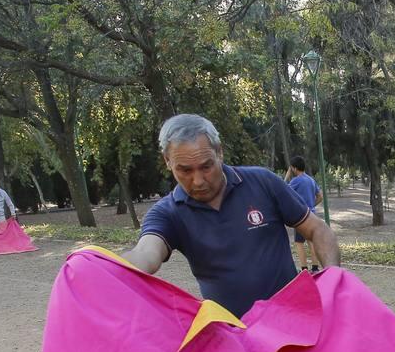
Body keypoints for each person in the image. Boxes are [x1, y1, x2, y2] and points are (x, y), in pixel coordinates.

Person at [124, 114, 341, 317]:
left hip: (294, 318)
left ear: (219, 152)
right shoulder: (167, 213)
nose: (198, 180)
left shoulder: (263, 182)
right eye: (185, 170)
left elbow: (317, 229)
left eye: (206, 166)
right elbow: (145, 253)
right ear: (167, 161)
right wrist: (100, 267)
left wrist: (333, 278)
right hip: (233, 337)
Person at [285, 155, 323, 272]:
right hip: (312, 215)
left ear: (294, 168)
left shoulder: (295, 181)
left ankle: (304, 269)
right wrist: (311, 205)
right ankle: (315, 268)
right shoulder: (311, 180)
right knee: (311, 241)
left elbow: (283, 190)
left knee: (299, 242)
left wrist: (286, 176)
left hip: (301, 217)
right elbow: (320, 196)